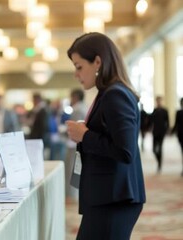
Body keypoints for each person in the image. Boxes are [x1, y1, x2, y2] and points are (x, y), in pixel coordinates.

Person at [65, 32, 146, 240]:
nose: (76, 74)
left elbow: (125, 151)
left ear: (98, 62)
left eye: (79, 66)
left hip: (115, 198)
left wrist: (85, 136)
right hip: (108, 195)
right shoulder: (108, 93)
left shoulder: (115, 94)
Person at [65, 88, 87, 202]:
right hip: (78, 143)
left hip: (74, 144)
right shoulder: (82, 107)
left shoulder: (78, 109)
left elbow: (76, 129)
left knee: (72, 169)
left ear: (76, 97)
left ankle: (72, 195)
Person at [151, 96, 169, 173]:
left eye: (159, 101)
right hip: (155, 132)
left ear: (161, 101)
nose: (158, 102)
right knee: (154, 149)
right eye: (157, 101)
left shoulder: (165, 111)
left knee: (160, 148)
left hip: (161, 132)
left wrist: (166, 130)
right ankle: (158, 160)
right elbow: (151, 121)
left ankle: (159, 165)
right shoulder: (154, 111)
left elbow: (167, 122)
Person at [172, 97, 183, 176]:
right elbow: (176, 123)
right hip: (181, 135)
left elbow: (176, 124)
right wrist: (172, 131)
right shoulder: (178, 112)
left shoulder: (178, 112)